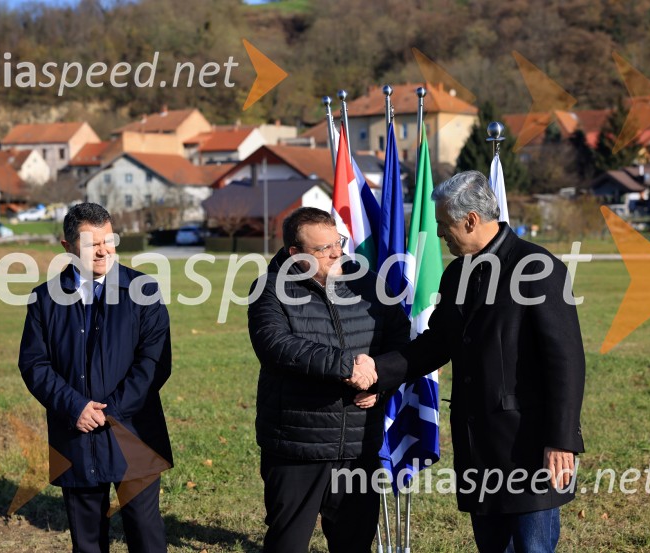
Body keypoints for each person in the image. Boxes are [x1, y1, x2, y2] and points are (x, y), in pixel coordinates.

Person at [359, 171, 586, 552]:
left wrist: (560, 441)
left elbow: (566, 362)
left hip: (528, 448)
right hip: (478, 448)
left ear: (470, 220)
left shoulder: (537, 268)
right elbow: (435, 346)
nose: (441, 235)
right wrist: (378, 371)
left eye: (445, 225)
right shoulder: (455, 275)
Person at [247, 207, 410, 553]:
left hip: (357, 445)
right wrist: (346, 366)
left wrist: (381, 383)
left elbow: (399, 339)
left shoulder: (365, 280)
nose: (336, 252)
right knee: (287, 542)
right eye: (323, 249)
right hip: (297, 444)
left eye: (338, 243)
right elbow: (276, 345)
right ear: (295, 255)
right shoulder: (270, 287)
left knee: (354, 541)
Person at [18, 203, 172, 553]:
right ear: (68, 247)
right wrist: (76, 408)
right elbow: (34, 364)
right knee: (87, 542)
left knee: (146, 535)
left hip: (134, 431)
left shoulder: (143, 290)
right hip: (75, 433)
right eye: (92, 244)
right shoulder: (44, 299)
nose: (103, 250)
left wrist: (109, 411)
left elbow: (154, 363)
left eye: (109, 240)